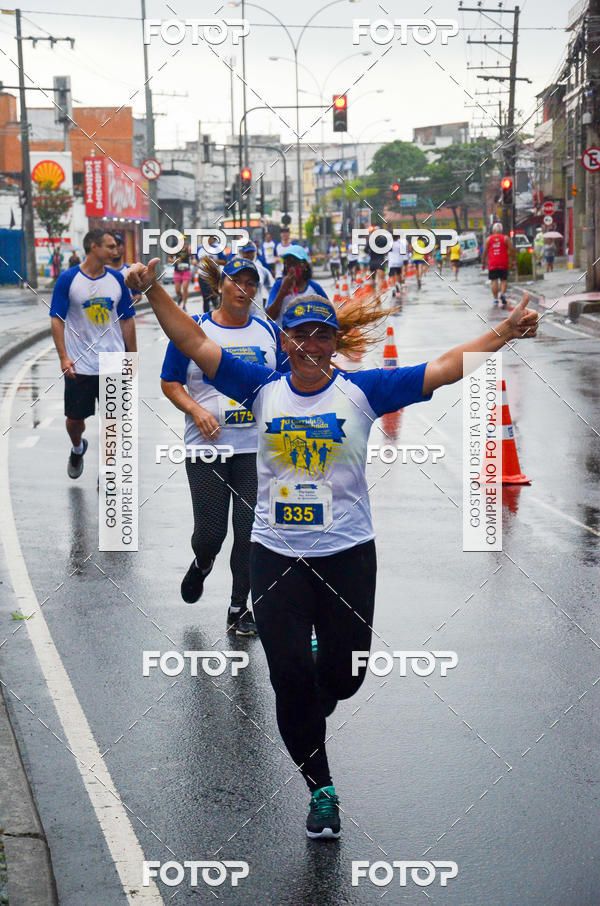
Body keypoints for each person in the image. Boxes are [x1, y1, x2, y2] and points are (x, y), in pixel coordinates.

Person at [126, 257, 538, 841]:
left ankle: (314, 706)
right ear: (284, 341)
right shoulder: (260, 387)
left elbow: (444, 368)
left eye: (323, 334)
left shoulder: (362, 391)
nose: (311, 344)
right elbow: (191, 339)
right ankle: (321, 789)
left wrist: (503, 332)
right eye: (300, 333)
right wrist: (155, 289)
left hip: (347, 556)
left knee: (344, 679)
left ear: (336, 343)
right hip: (275, 558)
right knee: (289, 680)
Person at [160, 255, 287, 635]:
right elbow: (170, 381)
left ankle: (238, 608)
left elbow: (284, 385)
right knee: (211, 534)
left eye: (251, 284)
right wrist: (196, 410)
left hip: (254, 449)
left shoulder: (267, 332)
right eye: (236, 281)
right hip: (206, 449)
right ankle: (202, 563)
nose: (243, 289)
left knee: (249, 531)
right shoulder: (195, 328)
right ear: (220, 285)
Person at [49, 229, 136, 479]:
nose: (116, 251)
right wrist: (63, 357)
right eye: (110, 247)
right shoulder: (68, 279)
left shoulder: (118, 279)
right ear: (93, 247)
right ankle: (78, 448)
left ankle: (107, 470)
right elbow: (57, 319)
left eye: (116, 247)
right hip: (80, 363)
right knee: (75, 421)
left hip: (113, 362)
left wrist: (132, 357)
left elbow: (127, 320)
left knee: (113, 422)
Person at [265, 245, 327, 326]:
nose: (291, 268)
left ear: (304, 265)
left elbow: (328, 314)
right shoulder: (278, 285)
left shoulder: (314, 288)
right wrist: (282, 292)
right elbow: (269, 317)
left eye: (294, 263)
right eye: (287, 263)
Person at [481, 222, 516, 305]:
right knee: (504, 279)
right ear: (501, 230)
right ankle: (503, 294)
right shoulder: (506, 238)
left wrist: (483, 262)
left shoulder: (489, 239)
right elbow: (512, 250)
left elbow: (485, 252)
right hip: (503, 262)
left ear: (493, 230)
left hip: (493, 263)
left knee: (494, 280)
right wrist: (513, 260)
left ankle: (496, 299)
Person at [239, 239, 273, 308]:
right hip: (239, 312)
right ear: (241, 253)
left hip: (258, 314)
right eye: (247, 252)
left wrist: (269, 306)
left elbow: (272, 288)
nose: (249, 255)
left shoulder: (262, 271)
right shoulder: (235, 271)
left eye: (251, 252)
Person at [111, 232, 141, 305]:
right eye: (112, 246)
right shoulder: (102, 271)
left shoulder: (130, 271)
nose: (115, 249)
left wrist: (132, 300)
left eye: (118, 245)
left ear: (123, 247)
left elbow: (138, 294)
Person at [170, 242, 193, 310]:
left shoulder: (189, 250)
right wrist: (174, 260)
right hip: (177, 271)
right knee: (177, 290)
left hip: (186, 271)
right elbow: (169, 259)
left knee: (185, 288)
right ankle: (180, 296)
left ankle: (184, 305)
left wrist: (192, 258)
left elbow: (193, 258)